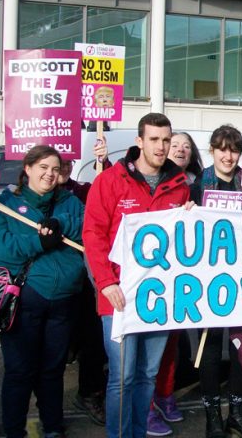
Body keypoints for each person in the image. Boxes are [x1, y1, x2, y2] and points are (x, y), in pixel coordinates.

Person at [82, 112, 191, 438]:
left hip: (159, 298)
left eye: (166, 140)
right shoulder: (110, 181)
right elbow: (93, 235)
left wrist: (190, 220)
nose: (161, 147)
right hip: (119, 298)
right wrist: (105, 283)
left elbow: (183, 245)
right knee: (122, 377)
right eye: (155, 140)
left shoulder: (180, 186)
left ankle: (138, 433)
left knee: (147, 375)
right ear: (139, 142)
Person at [0, 145, 86, 438]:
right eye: (43, 167)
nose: (49, 174)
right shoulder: (6, 204)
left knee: (52, 370)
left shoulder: (69, 202)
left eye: (55, 169)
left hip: (64, 301)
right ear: (27, 169)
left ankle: (52, 426)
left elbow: (86, 226)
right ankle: (14, 430)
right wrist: (39, 242)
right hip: (24, 300)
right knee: (20, 371)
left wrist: (61, 226)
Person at [192, 124, 242, 438]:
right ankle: (212, 415)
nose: (228, 155)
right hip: (207, 280)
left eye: (233, 149)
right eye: (222, 148)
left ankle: (236, 410)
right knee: (209, 349)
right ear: (212, 150)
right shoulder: (198, 186)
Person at [146, 131, 204, 437]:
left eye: (185, 146)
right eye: (174, 144)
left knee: (170, 347)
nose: (178, 149)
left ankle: (165, 395)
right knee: (147, 353)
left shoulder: (193, 184)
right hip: (148, 280)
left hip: (178, 280)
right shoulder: (154, 181)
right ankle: (148, 406)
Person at [57, 140, 110, 426]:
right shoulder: (34, 197)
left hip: (86, 282)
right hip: (54, 288)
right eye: (56, 163)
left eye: (67, 163)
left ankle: (90, 393)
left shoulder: (82, 190)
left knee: (93, 343)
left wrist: (105, 162)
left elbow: (107, 194)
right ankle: (48, 410)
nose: (61, 169)